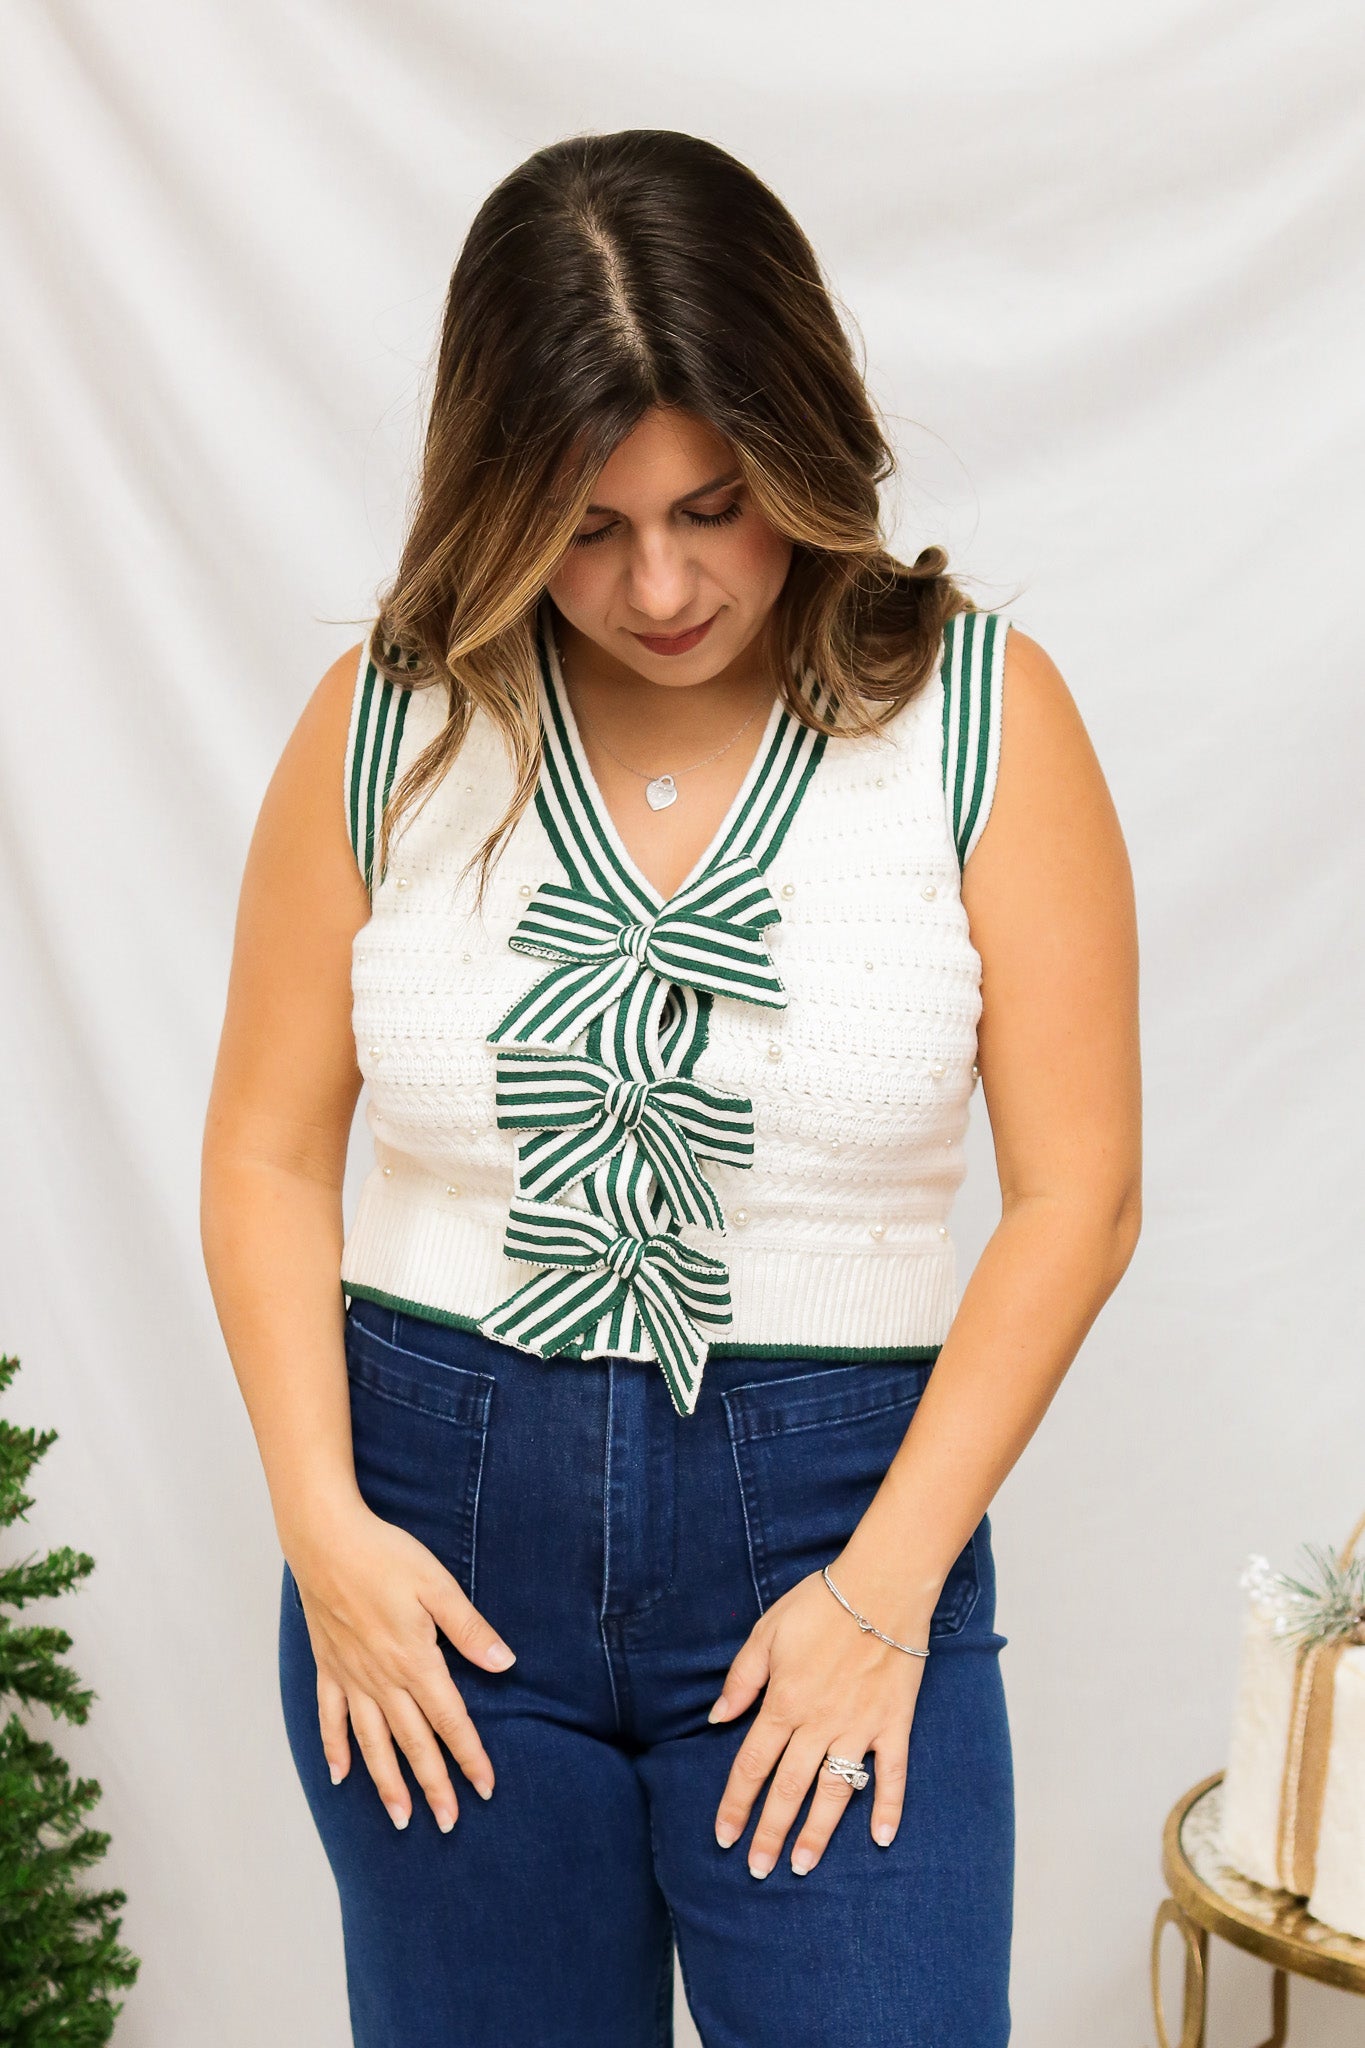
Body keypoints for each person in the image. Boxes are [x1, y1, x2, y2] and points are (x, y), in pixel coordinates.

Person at [201, 128, 1141, 2048]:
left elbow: (1080, 1196)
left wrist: (883, 1593)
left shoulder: (979, 716)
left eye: (714, 507)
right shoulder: (388, 719)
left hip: (837, 1538)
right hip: (432, 1554)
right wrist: (323, 1532)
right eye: (583, 524)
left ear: (804, 445)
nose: (658, 584)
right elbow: (266, 1152)